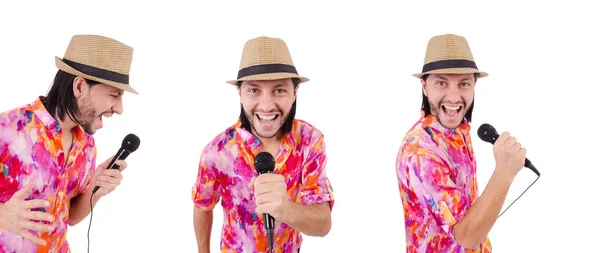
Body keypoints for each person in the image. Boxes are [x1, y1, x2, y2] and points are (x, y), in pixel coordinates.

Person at [192, 36, 334, 253]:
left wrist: (286, 209)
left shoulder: (309, 140)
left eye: (279, 90)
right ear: (239, 92)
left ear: (295, 92)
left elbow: (323, 224)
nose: (266, 106)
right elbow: (203, 206)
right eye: (254, 90)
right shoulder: (218, 151)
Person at [0, 34, 138, 252]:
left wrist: (96, 188)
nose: (119, 108)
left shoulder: (87, 146)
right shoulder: (7, 130)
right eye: (114, 95)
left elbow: (69, 217)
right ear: (80, 87)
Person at [395, 34, 527, 252]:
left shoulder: (456, 129)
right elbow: (466, 236)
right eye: (441, 83)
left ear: (474, 85)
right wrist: (504, 172)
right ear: (424, 86)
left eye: (463, 83)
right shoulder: (422, 154)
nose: (454, 97)